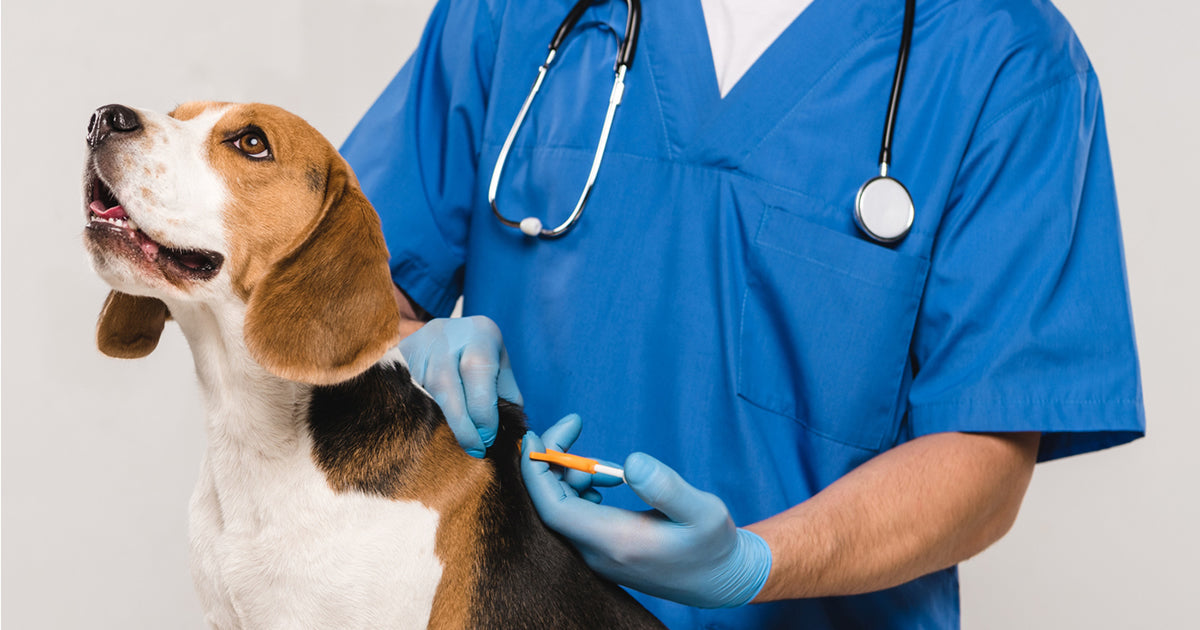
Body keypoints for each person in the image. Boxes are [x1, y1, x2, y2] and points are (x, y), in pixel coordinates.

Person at [341, 0, 1145, 627]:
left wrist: (754, 564)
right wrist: (409, 348)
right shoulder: (519, 12)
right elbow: (345, 299)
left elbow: (984, 462)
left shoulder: (1006, 59)